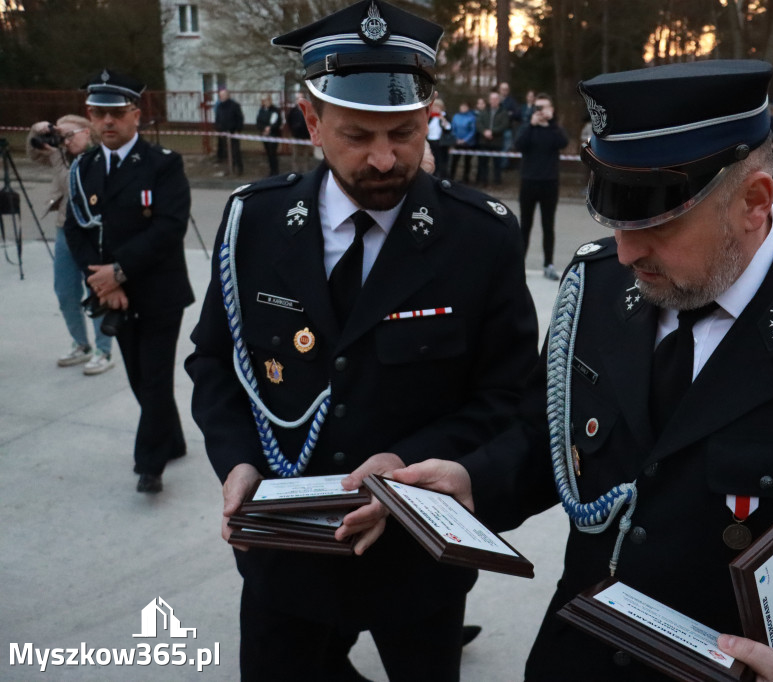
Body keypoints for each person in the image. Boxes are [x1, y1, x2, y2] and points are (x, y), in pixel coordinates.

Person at [341, 59, 773, 682]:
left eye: (657, 225)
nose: (626, 252)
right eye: (615, 219)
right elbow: (554, 440)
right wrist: (470, 478)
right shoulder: (599, 285)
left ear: (753, 200)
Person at [185, 1, 538, 680]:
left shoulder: (480, 237)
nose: (385, 158)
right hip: (283, 560)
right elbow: (216, 364)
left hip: (416, 563)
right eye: (357, 135)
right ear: (311, 122)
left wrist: (410, 466)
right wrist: (235, 463)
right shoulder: (253, 222)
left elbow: (510, 400)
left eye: (404, 133)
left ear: (429, 119)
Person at [63, 69, 194, 493]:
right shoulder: (84, 167)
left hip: (158, 292)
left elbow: (168, 228)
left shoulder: (164, 164)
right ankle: (171, 440)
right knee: (139, 377)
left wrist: (117, 272)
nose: (107, 123)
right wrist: (102, 281)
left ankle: (149, 464)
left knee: (155, 376)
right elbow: (75, 229)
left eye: (116, 113)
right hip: (112, 295)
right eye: (98, 114)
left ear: (136, 115)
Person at [26, 115, 116, 375]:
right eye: (60, 135)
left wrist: (56, 157)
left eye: (69, 134)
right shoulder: (62, 153)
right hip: (65, 230)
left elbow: (74, 187)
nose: (64, 141)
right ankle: (81, 344)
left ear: (88, 132)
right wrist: (38, 128)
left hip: (92, 233)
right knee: (65, 292)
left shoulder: (101, 157)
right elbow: (33, 153)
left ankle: (103, 349)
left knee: (97, 290)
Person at [516, 92, 568, 280]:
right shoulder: (528, 127)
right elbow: (519, 144)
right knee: (525, 225)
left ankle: (549, 264)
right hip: (529, 182)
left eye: (544, 107)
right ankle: (518, 265)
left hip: (549, 183)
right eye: (538, 107)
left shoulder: (554, 129)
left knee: (548, 225)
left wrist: (551, 122)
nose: (541, 111)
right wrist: (531, 124)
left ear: (551, 109)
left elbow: (563, 142)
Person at [476, 90, 509, 187]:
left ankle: (497, 182)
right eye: (492, 99)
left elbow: (504, 125)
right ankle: (483, 181)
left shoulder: (503, 112)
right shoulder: (483, 111)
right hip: (484, 141)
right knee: (483, 163)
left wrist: (492, 131)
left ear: (499, 100)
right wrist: (484, 132)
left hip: (497, 141)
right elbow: (478, 123)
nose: (494, 101)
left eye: (496, 99)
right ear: (489, 100)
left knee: (497, 164)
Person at [214, 87, 244, 174]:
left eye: (223, 95)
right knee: (227, 152)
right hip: (223, 133)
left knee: (236, 151)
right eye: (220, 95)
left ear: (228, 95)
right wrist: (218, 130)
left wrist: (238, 130)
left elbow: (240, 118)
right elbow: (218, 119)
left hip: (233, 132)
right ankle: (231, 168)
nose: (222, 97)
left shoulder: (234, 105)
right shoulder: (219, 106)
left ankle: (239, 169)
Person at [449, 101, 476, 183]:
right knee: (454, 160)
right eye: (462, 107)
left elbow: (473, 130)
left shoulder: (472, 117)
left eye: (465, 107)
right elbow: (453, 128)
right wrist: (456, 139)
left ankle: (466, 178)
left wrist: (465, 140)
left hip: (468, 143)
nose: (463, 108)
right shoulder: (456, 116)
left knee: (467, 161)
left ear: (468, 108)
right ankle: (451, 177)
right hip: (457, 142)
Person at [255, 94, 282, 176]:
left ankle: (275, 171)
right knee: (268, 154)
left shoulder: (275, 110)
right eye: (265, 101)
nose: (266, 102)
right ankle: (271, 171)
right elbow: (258, 122)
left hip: (273, 135)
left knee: (273, 153)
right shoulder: (261, 110)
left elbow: (278, 122)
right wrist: (263, 129)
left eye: (268, 100)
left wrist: (270, 128)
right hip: (264, 135)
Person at [286, 91, 313, 172]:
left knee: (305, 158)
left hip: (306, 138)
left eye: (301, 98)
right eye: (298, 98)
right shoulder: (292, 111)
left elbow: (312, 123)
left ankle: (306, 174)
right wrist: (293, 131)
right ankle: (295, 173)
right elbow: (289, 122)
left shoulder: (308, 111)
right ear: (296, 100)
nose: (299, 100)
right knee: (295, 157)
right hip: (296, 138)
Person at [426, 97, 452, 179]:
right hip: (430, 141)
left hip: (440, 142)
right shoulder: (429, 117)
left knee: (441, 160)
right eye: (434, 107)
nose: (435, 109)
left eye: (437, 107)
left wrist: (442, 119)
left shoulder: (445, 116)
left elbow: (448, 128)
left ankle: (442, 177)